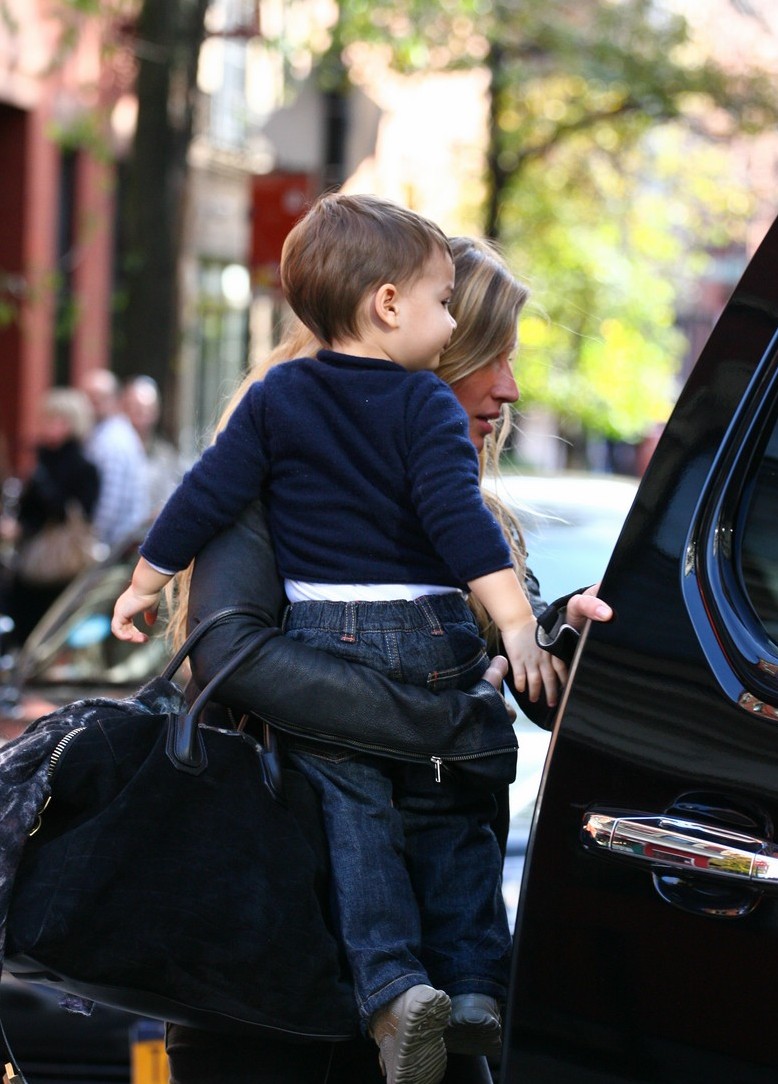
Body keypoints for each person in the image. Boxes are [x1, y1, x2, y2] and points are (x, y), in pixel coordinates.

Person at [112, 195, 565, 1084]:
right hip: (282, 982)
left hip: (436, 999)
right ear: (408, 329)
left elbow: (525, 675)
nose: (510, 388)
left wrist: (563, 636)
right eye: (492, 352)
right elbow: (233, 654)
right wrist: (446, 724)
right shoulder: (278, 471)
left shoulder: (469, 512)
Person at [0, 388, 100, 645]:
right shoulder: (43, 459)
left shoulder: (81, 466)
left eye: (54, 419)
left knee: (50, 634)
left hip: (62, 566)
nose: (46, 426)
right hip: (32, 564)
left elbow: (66, 512)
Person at [79, 368, 150, 549]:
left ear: (115, 399)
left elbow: (109, 501)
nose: (92, 403)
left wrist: (92, 540)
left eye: (99, 397)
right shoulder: (108, 433)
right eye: (87, 397)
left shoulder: (112, 441)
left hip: (114, 546)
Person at [122, 375, 185, 512]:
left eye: (148, 409)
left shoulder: (166, 455)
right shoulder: (114, 449)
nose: (142, 415)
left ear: (157, 412)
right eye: (136, 408)